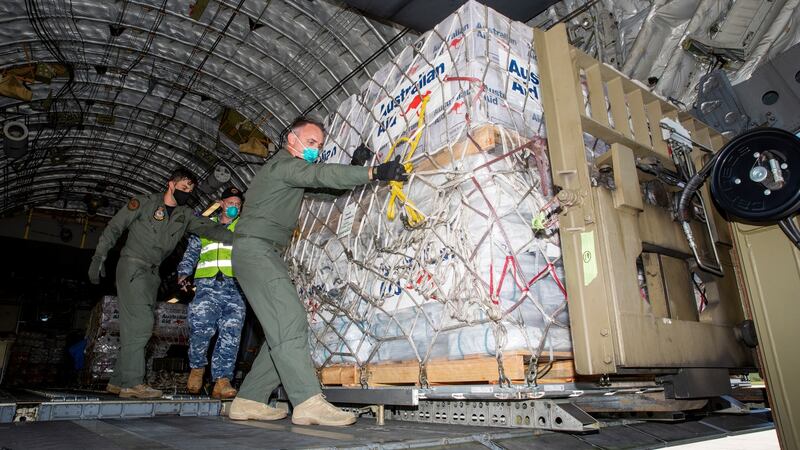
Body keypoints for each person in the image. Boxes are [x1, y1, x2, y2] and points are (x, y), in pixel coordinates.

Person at [227, 116, 406, 425]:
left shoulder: (292, 172)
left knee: (282, 329)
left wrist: (352, 166)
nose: (316, 150)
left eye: (320, 146)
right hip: (255, 249)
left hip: (263, 251)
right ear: (291, 139)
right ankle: (307, 402)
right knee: (291, 319)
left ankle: (249, 399)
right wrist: (373, 172)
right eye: (311, 143)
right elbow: (321, 173)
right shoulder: (283, 165)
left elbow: (325, 190)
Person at [89, 167, 234, 399]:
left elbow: (212, 229)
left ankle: (118, 381)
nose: (187, 192)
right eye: (184, 187)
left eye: (190, 189)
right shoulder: (144, 203)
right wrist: (99, 258)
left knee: (132, 327)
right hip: (133, 266)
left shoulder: (184, 215)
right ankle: (133, 383)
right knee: (143, 323)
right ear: (171, 184)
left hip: (152, 274)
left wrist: (244, 237)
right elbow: (114, 228)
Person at [176, 186, 246, 399]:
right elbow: (191, 252)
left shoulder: (243, 227)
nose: (233, 207)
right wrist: (183, 273)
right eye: (230, 203)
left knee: (231, 335)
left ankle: (222, 381)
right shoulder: (205, 225)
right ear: (221, 203)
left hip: (236, 288)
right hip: (207, 286)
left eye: (237, 204)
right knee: (201, 329)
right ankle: (197, 369)